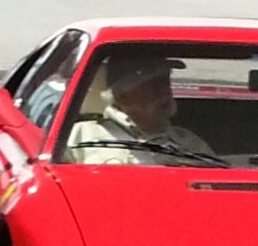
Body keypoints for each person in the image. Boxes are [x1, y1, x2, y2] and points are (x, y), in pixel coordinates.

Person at [66, 53, 215, 164]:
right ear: (121, 95)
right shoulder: (80, 135)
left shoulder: (188, 142)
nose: (163, 91)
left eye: (165, 81)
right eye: (151, 83)